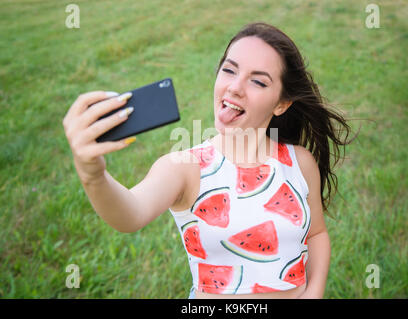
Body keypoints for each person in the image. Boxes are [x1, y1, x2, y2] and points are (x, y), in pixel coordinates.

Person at [62, 22, 355, 299]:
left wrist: (314, 292)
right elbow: (129, 214)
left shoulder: (299, 162)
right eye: (229, 70)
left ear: (281, 103)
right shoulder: (185, 168)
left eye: (257, 81)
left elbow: (316, 233)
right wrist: (93, 175)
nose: (235, 87)